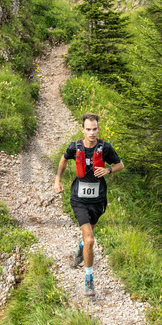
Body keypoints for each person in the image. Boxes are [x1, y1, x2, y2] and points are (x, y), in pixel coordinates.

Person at [54, 113, 123, 297]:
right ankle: (89, 279)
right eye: (88, 129)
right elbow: (63, 159)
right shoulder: (75, 147)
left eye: (95, 129)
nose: (92, 133)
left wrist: (108, 170)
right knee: (91, 240)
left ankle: (81, 248)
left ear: (98, 129)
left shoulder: (104, 147)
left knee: (88, 237)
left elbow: (120, 164)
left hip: (98, 200)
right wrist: (57, 180)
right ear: (82, 130)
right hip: (79, 199)